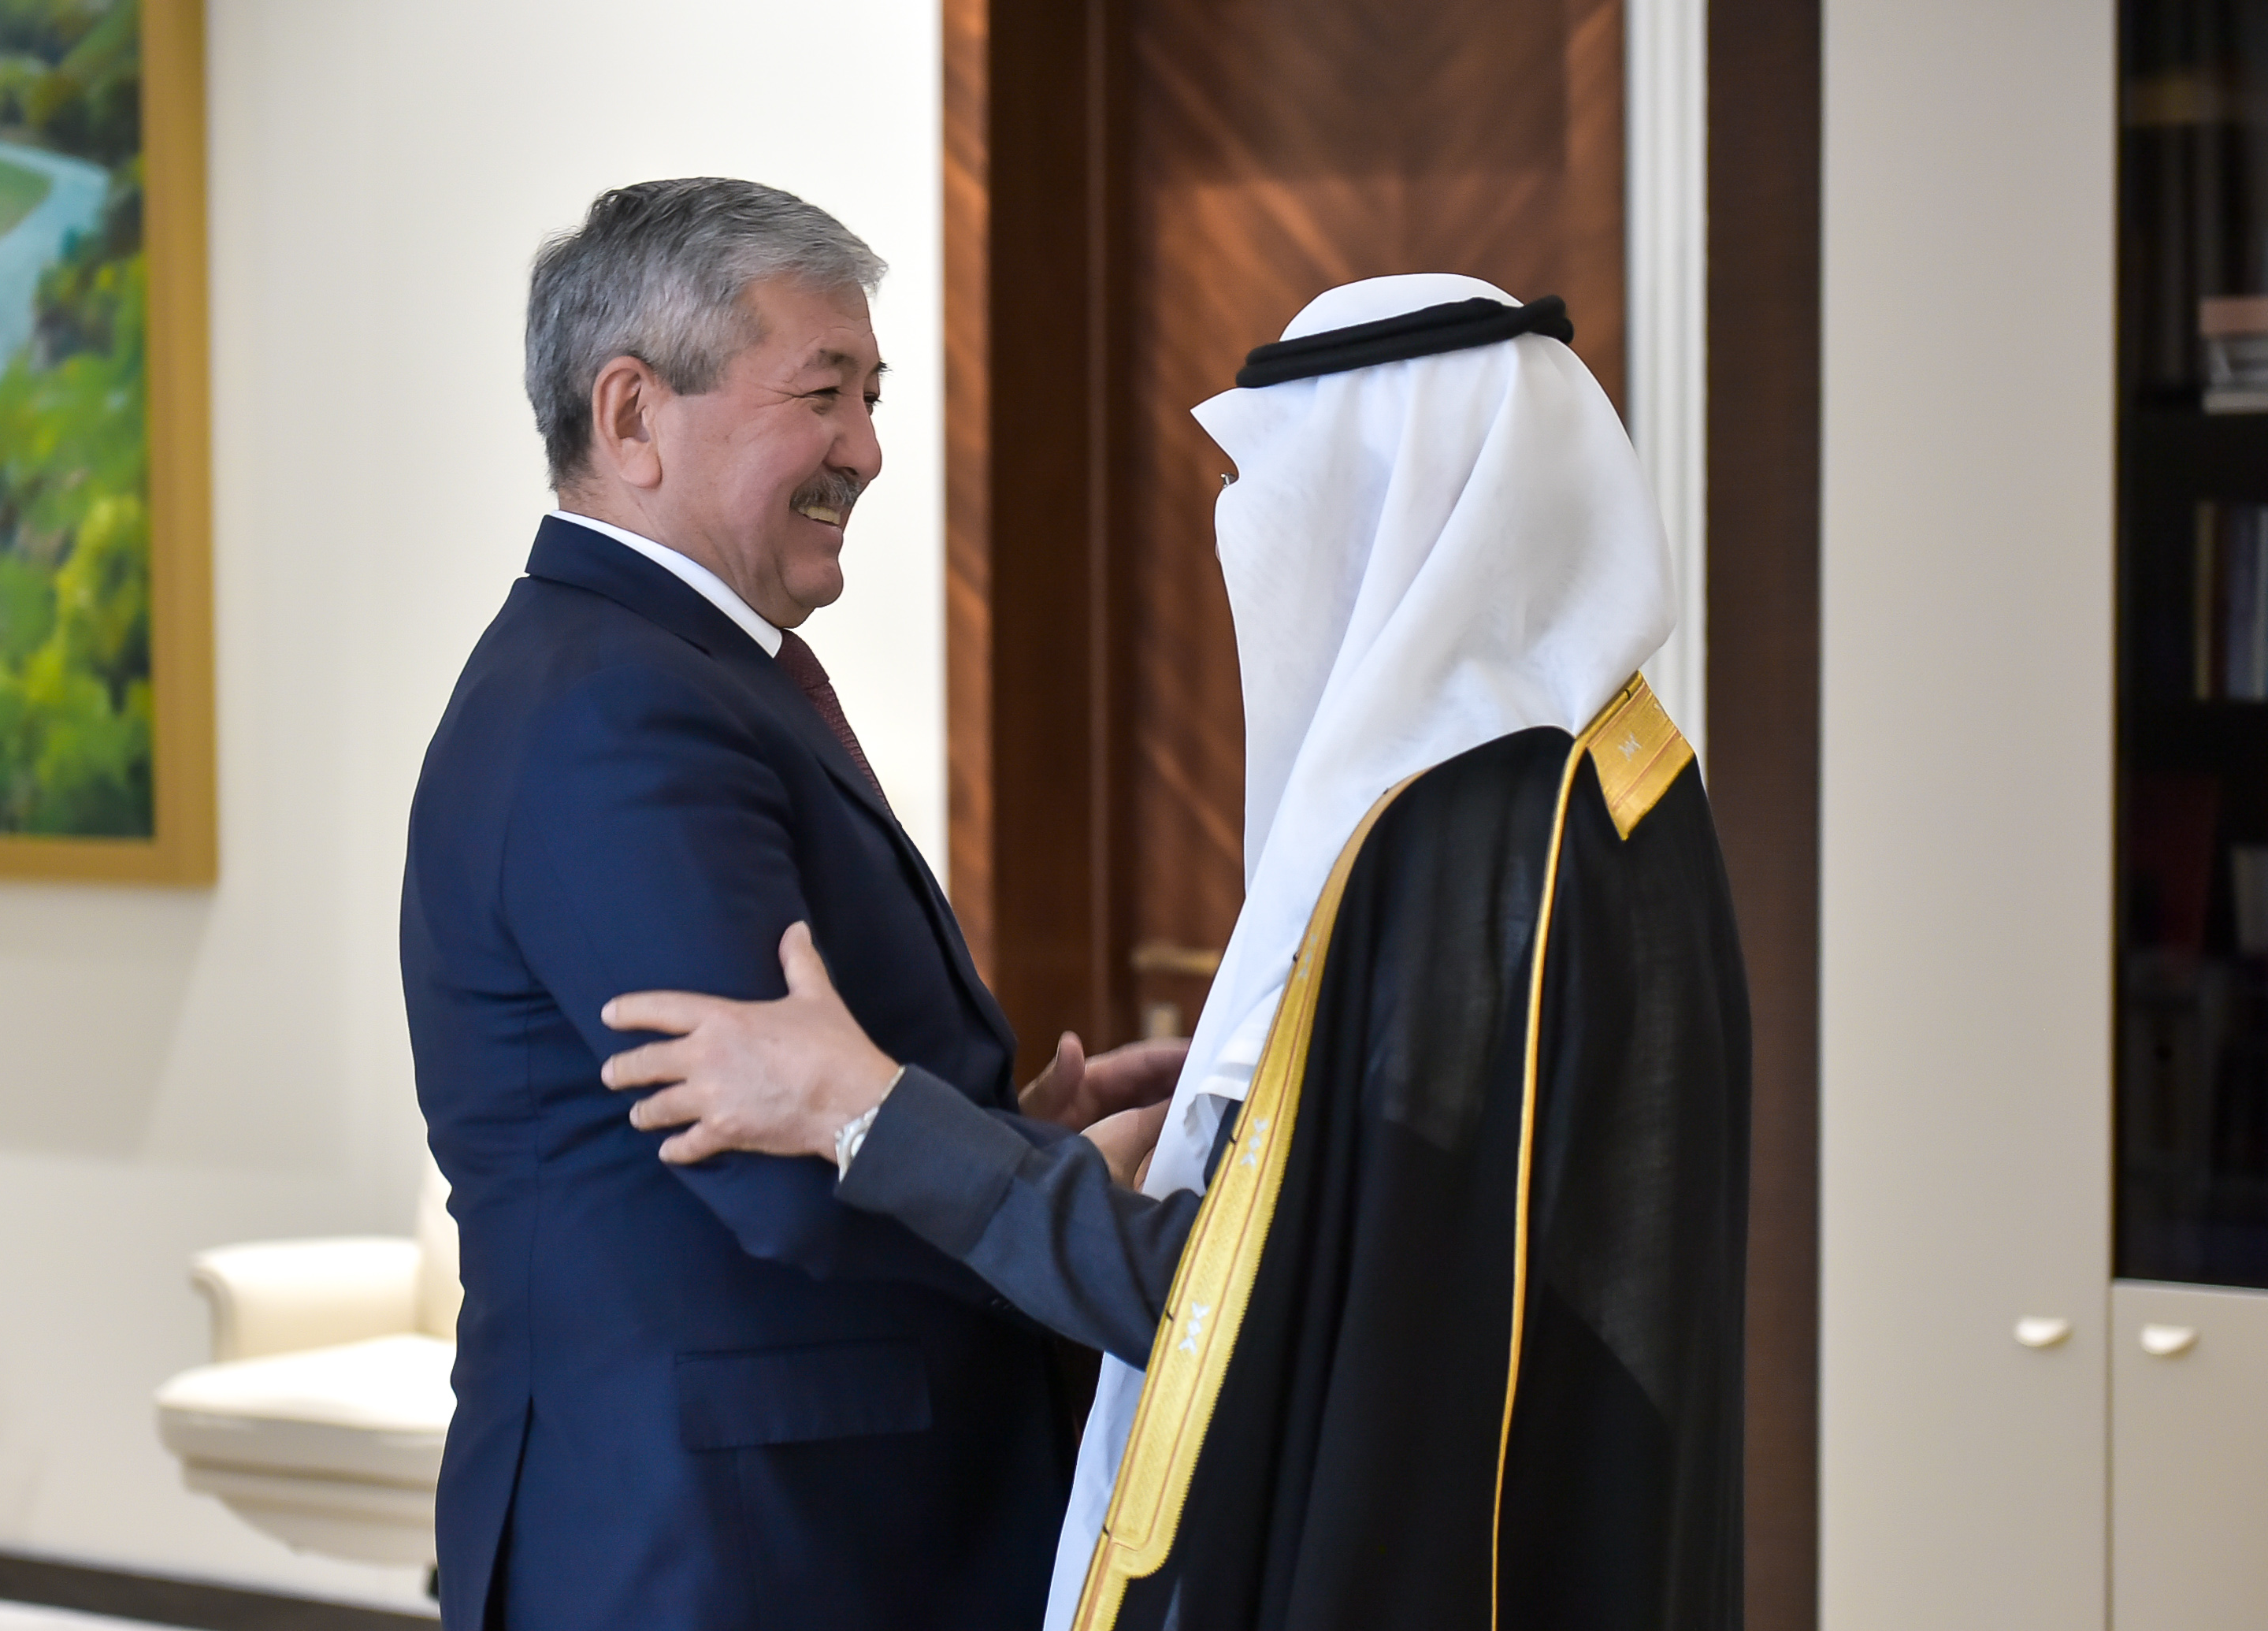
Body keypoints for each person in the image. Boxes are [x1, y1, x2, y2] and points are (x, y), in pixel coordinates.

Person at [599, 274, 1750, 1631]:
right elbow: (1403, 1240)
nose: (1247, 538)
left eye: (1287, 495)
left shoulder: (1458, 835)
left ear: (1394, 506)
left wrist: (866, 1110)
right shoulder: (1617, 785)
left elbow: (1255, 1307)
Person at [399, 177, 1182, 1631]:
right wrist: (1056, 1183)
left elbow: (819, 1095)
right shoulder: (615, 710)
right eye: (822, 395)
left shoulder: (669, 672)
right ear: (631, 414)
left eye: (872, 397)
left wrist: (1004, 1132)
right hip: (725, 1554)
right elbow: (779, 1158)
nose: (866, 450)